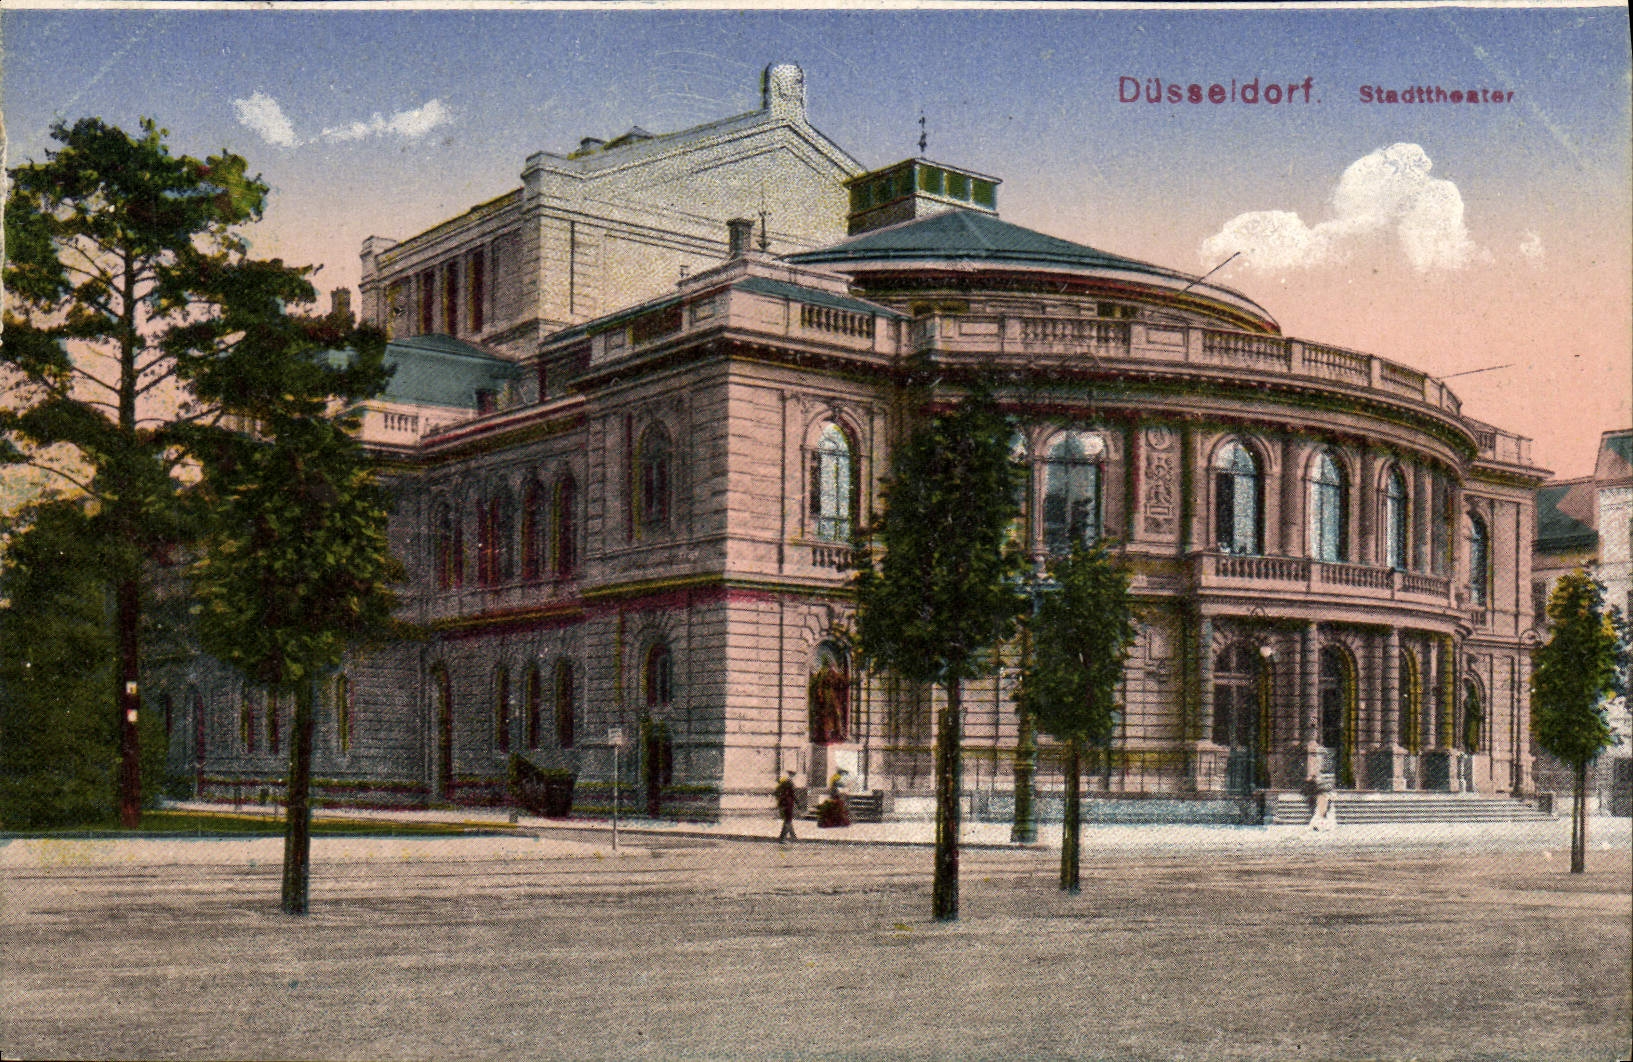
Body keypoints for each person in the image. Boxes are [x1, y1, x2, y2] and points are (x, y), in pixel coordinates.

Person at [774, 771, 798, 842]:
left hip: (784, 803)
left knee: (788, 820)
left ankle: (793, 836)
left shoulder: (785, 782)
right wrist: (798, 803)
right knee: (788, 820)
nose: (793, 776)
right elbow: (793, 794)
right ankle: (782, 838)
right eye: (793, 775)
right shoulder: (790, 783)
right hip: (788, 803)